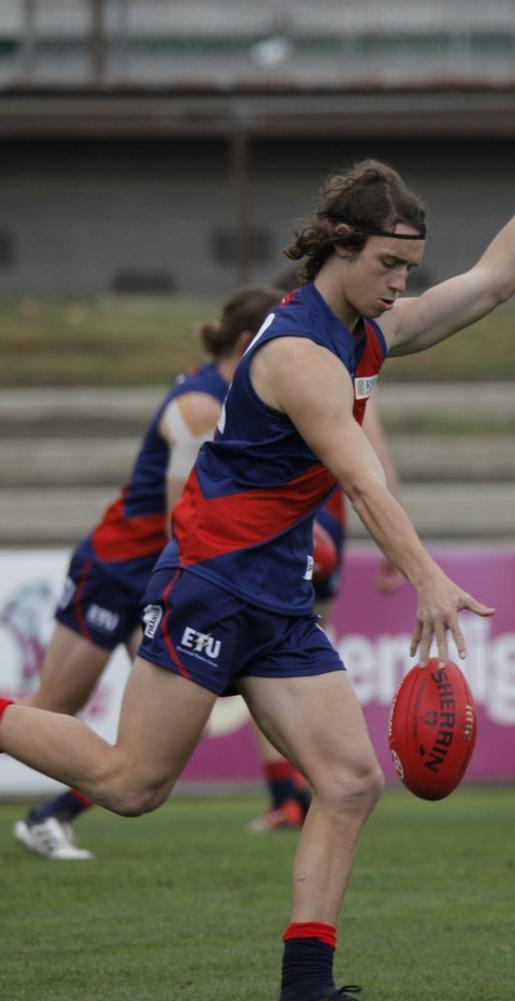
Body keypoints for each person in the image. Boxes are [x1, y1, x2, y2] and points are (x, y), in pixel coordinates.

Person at [0, 96, 515, 1001]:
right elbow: (362, 479)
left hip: (276, 598)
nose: (398, 285)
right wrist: (427, 576)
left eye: (408, 269)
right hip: (211, 584)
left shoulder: (363, 333)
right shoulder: (304, 354)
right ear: (340, 244)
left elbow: (493, 281)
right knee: (129, 784)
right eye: (388, 265)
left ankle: (307, 985)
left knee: (347, 781)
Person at [13, 284, 283, 860]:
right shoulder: (203, 405)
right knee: (51, 708)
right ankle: (47, 817)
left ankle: (49, 816)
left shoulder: (227, 394)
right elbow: (178, 522)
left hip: (155, 575)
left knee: (163, 729)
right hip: (117, 569)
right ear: (247, 341)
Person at [248, 393, 404, 833]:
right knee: (305, 651)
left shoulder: (267, 368)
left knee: (261, 659)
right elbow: (378, 463)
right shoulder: (348, 375)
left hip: (277, 531)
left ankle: (290, 796)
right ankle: (316, 787)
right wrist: (392, 545)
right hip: (323, 533)